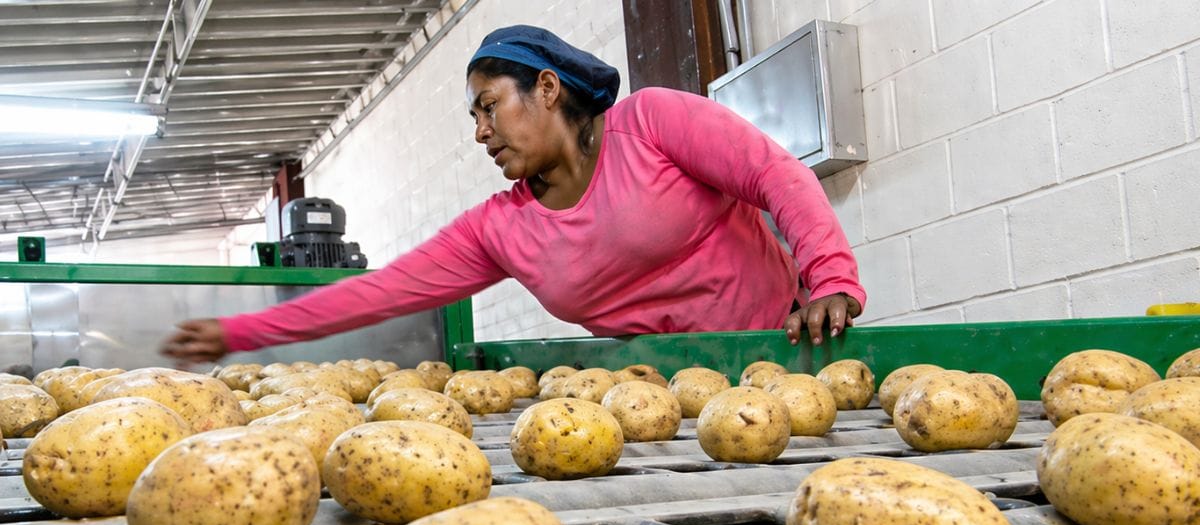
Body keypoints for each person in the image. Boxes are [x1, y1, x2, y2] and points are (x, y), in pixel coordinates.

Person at [160, 25, 865, 364]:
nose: (480, 131)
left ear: (548, 89)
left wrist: (831, 275)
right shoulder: (502, 230)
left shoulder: (654, 123)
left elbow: (775, 174)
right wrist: (240, 332)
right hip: (675, 401)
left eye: (489, 106)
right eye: (473, 116)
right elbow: (377, 293)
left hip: (790, 353)